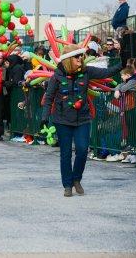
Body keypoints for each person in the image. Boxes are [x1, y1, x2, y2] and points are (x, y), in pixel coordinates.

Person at [41, 44, 121, 197]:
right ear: (69, 59)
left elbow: (107, 72)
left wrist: (122, 64)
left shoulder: (86, 71)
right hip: (62, 119)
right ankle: (67, 185)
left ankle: (76, 178)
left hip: (82, 118)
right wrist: (44, 117)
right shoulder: (57, 75)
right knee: (65, 153)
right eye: (78, 56)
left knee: (83, 150)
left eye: (81, 56)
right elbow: (49, 97)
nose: (81, 58)